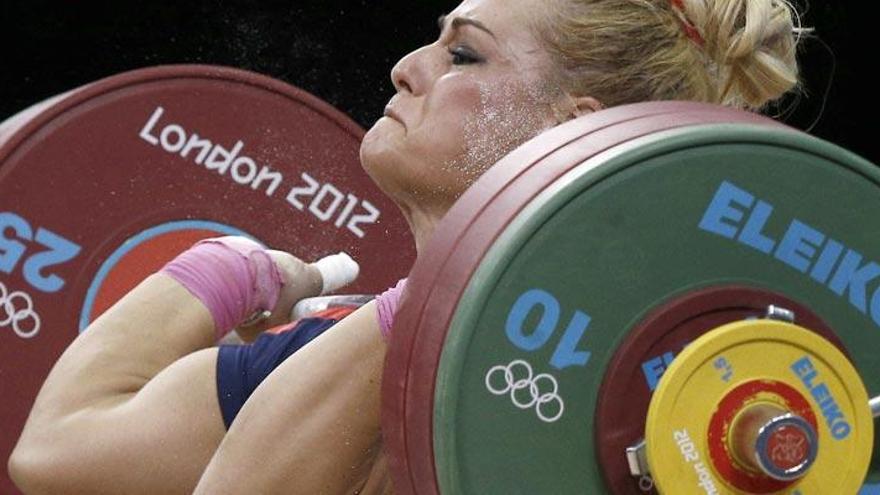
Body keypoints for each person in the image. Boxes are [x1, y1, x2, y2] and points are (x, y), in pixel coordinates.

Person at [8, 0, 807, 493]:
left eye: (463, 53)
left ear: (569, 128)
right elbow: (58, 455)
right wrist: (228, 271)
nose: (404, 69)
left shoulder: (672, 399)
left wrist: (447, 295)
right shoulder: (336, 348)